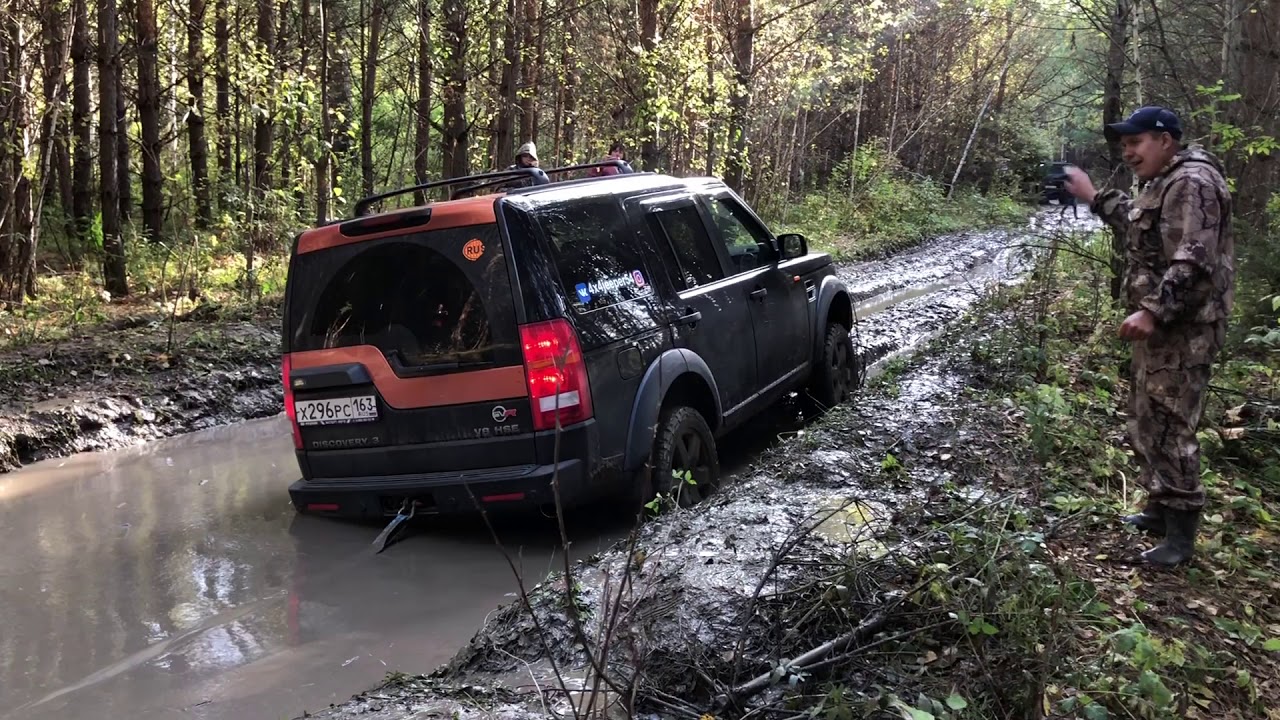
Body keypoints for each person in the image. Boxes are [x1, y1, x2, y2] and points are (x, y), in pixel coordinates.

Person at [1063, 106, 1235, 567]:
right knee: (1148, 417)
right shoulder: (1163, 183)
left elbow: (1194, 259)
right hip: (1164, 328)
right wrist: (1095, 196)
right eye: (1125, 144)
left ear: (1165, 140)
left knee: (1171, 423)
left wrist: (1153, 313)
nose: (1129, 152)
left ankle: (1180, 539)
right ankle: (1161, 510)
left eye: (1136, 142)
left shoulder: (1193, 182)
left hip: (1184, 329)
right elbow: (1140, 231)